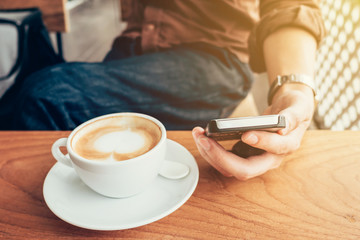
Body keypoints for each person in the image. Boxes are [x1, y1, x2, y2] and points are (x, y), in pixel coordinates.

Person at [0, 0, 325, 180]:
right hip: (130, 49)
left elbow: (290, 5)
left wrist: (293, 87)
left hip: (211, 59)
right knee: (28, 87)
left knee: (42, 95)